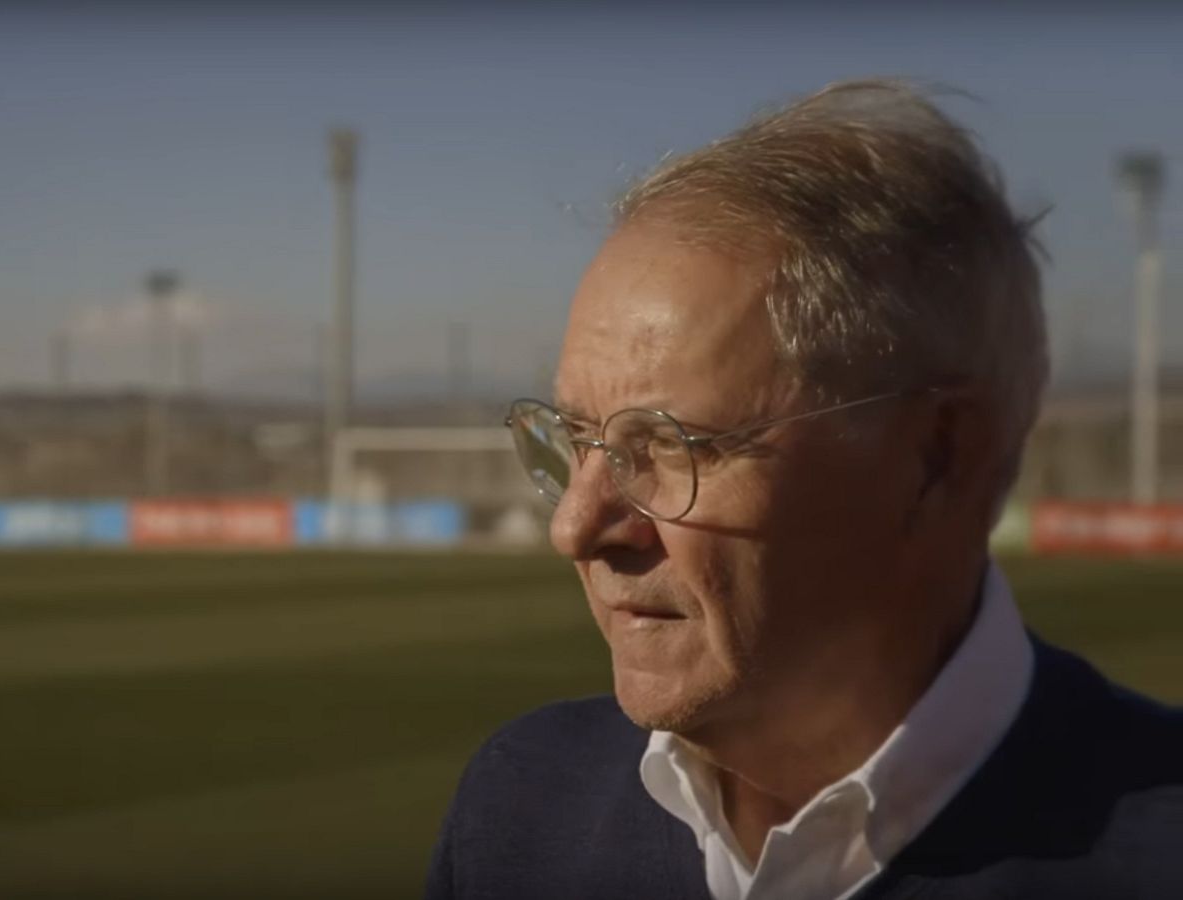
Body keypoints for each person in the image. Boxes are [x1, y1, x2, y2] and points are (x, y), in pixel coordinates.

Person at [425, 80, 1183, 900]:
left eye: (671, 446)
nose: (576, 526)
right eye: (576, 439)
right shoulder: (520, 809)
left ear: (936, 457)